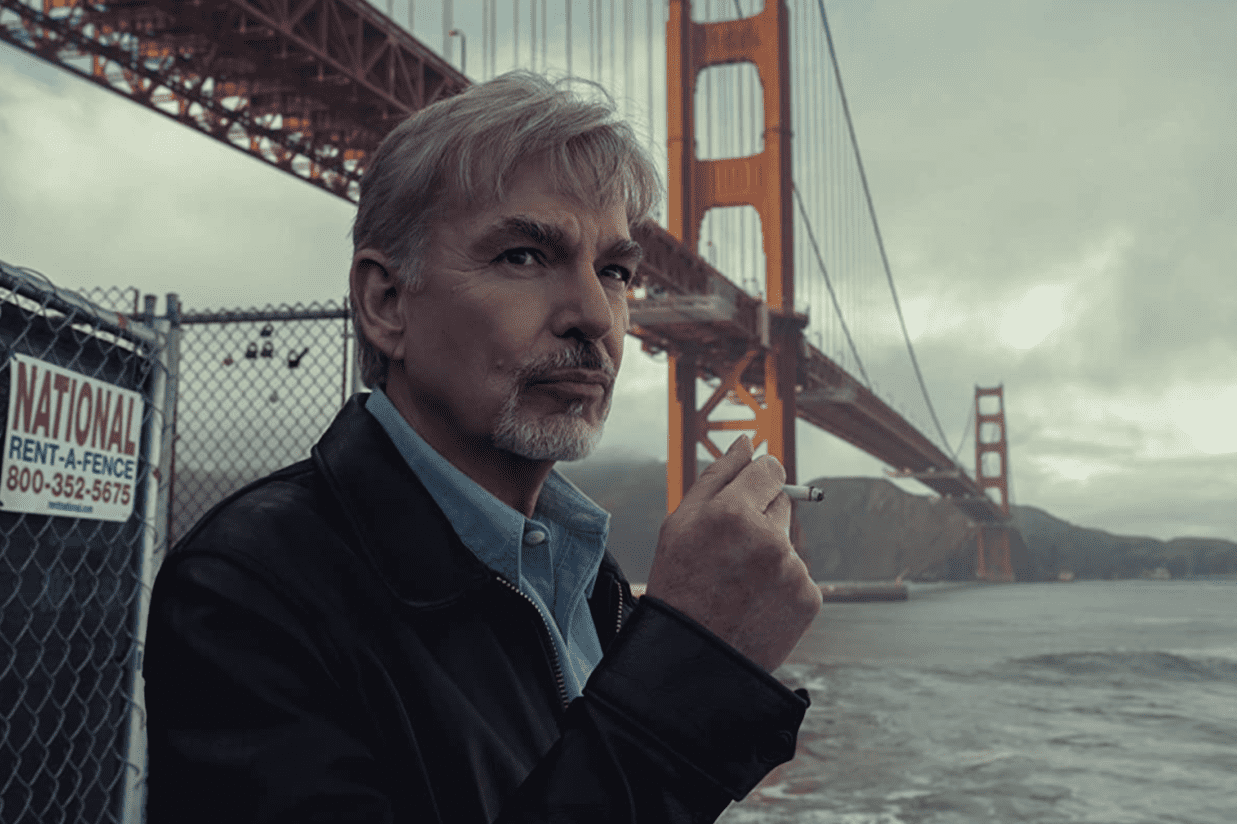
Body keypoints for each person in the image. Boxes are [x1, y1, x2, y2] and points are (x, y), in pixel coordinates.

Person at [143, 72, 823, 823]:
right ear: (386, 302)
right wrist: (691, 663)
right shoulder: (249, 591)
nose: (594, 315)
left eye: (616, 272)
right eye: (524, 257)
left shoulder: (584, 570)